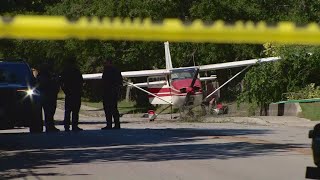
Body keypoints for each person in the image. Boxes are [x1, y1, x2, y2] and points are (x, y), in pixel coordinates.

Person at [60, 57, 84, 132]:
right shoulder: (76, 71)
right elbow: (81, 82)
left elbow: (61, 82)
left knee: (68, 111)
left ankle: (67, 126)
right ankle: (74, 125)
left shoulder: (65, 71)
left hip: (69, 93)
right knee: (75, 111)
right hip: (75, 93)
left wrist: (65, 90)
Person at [37, 63, 60, 132]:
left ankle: (49, 126)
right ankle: (49, 126)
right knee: (49, 112)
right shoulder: (46, 76)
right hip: (48, 96)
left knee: (49, 112)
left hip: (48, 96)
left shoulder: (43, 76)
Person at [102, 59, 123, 130]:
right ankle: (115, 124)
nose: (104, 64)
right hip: (112, 92)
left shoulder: (109, 71)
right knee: (112, 108)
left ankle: (111, 124)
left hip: (110, 92)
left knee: (110, 108)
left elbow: (105, 82)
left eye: (106, 62)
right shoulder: (116, 70)